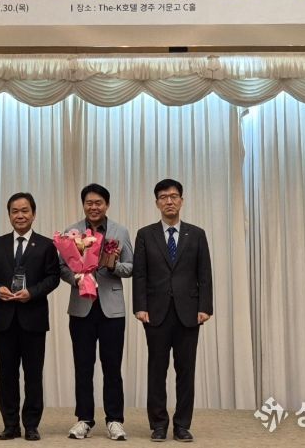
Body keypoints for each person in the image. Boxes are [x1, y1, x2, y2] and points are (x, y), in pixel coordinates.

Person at [132, 179, 213, 442]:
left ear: (181, 200)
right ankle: (158, 424)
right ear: (157, 203)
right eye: (164, 197)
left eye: (174, 196)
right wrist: (140, 306)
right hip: (155, 313)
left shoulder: (196, 234)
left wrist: (205, 307)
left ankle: (182, 425)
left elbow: (204, 273)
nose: (169, 201)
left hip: (189, 313)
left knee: (185, 371)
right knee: (157, 370)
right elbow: (140, 274)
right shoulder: (145, 234)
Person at [0, 193, 60, 441]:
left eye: (25, 210)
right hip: (5, 319)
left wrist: (32, 293)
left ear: (33, 214)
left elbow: (53, 277)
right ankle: (10, 424)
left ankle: (32, 425)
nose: (20, 215)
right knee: (7, 374)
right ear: (9, 215)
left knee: (33, 375)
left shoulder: (46, 245)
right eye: (15, 211)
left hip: (33, 319)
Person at [60, 183, 133, 441]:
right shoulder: (72, 232)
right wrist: (77, 278)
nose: (94, 207)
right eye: (89, 203)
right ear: (83, 205)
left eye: (98, 202)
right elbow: (61, 267)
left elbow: (131, 266)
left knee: (112, 366)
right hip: (81, 307)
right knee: (83, 366)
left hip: (111, 309)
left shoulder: (120, 231)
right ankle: (84, 419)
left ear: (107, 205)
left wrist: (112, 266)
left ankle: (114, 420)